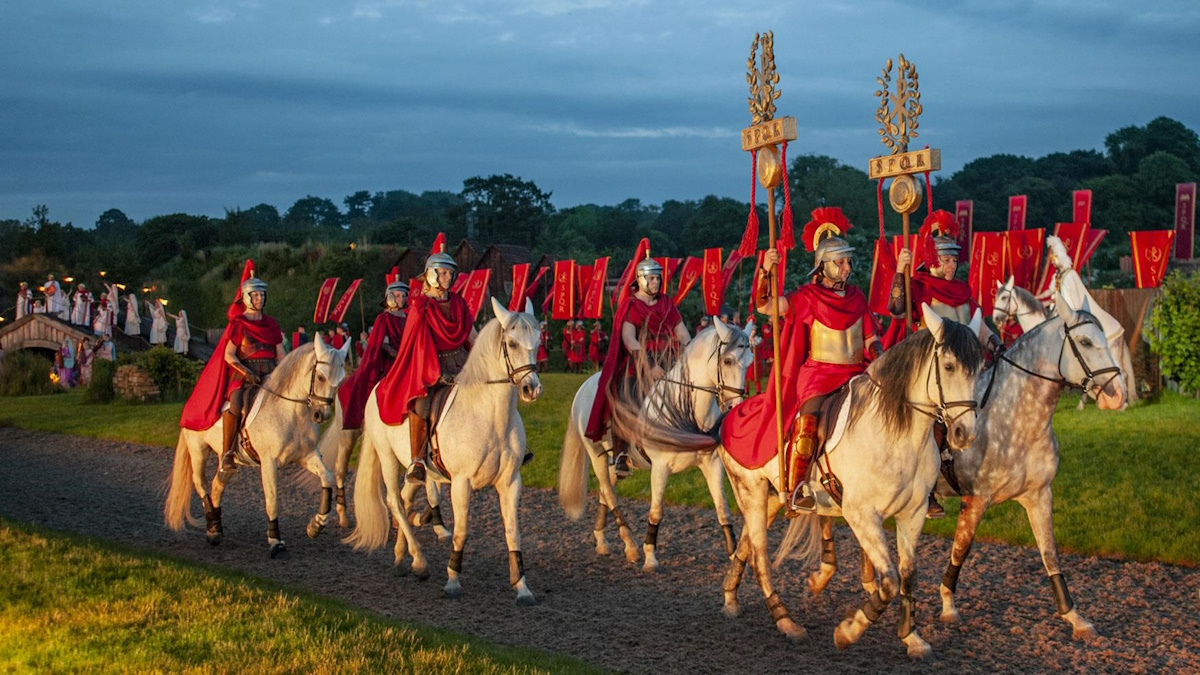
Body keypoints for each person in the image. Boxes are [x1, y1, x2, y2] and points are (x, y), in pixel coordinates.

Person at [721, 207, 881, 517]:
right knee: (808, 424)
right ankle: (797, 488)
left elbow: (871, 340)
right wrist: (766, 271)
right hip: (820, 375)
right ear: (824, 266)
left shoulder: (858, 298)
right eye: (841, 262)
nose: (847, 267)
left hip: (857, 373)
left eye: (848, 261)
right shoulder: (806, 297)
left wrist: (882, 362)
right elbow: (766, 305)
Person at [887, 210, 1000, 518]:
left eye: (953, 260)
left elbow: (978, 324)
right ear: (932, 258)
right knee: (933, 423)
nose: (951, 266)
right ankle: (929, 485)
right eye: (945, 260)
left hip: (962, 372)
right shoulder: (919, 285)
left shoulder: (962, 291)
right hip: (929, 374)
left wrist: (993, 342)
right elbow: (897, 310)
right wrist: (901, 271)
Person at [374, 237, 477, 484]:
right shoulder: (421, 306)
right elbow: (417, 345)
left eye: (450, 273)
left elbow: (471, 336)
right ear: (430, 275)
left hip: (461, 362)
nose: (448, 278)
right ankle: (417, 460)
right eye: (442, 273)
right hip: (431, 366)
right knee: (422, 404)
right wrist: (434, 373)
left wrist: (483, 358)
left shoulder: (459, 303)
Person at [586, 241, 690, 478]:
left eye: (658, 278)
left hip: (668, 359)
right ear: (641, 279)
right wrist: (649, 366)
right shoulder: (631, 305)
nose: (656, 282)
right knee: (627, 399)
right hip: (638, 362)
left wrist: (688, 348)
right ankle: (622, 455)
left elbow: (682, 332)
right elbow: (629, 339)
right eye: (652, 279)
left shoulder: (666, 304)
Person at [180, 261, 284, 475]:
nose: (259, 299)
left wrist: (284, 371)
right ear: (246, 297)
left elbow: (280, 353)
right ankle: (228, 453)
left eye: (262, 295)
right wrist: (247, 373)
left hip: (270, 374)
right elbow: (229, 354)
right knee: (236, 403)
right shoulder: (239, 324)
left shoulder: (272, 324)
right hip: (243, 375)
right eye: (255, 295)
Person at [337, 270, 409, 433]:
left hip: (407, 360)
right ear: (390, 297)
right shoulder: (384, 319)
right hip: (390, 363)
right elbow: (383, 345)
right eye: (397, 296)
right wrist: (400, 357)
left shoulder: (409, 316)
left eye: (404, 296)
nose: (401, 299)